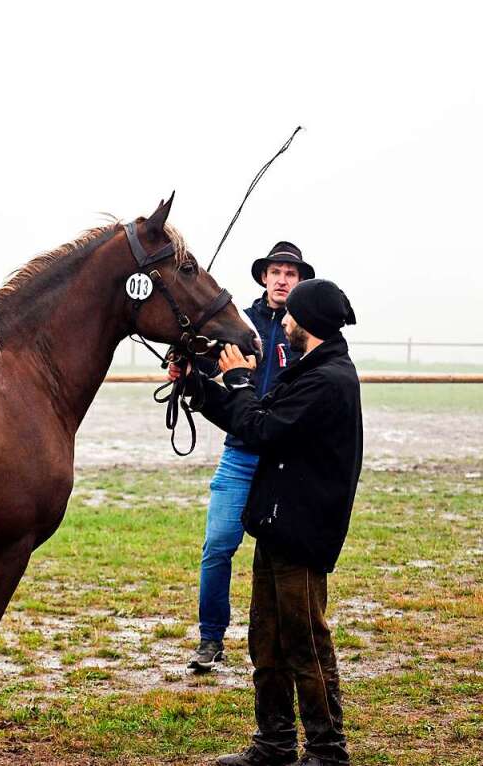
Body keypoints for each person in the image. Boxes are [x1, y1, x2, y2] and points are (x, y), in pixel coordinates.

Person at [177, 279, 361, 766]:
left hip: (301, 532)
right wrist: (197, 386)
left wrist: (237, 382)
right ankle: (274, 744)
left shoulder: (328, 380)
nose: (283, 321)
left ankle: (327, 752)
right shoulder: (309, 371)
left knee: (306, 643)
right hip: (277, 525)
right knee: (268, 640)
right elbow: (253, 421)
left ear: (310, 323)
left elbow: (261, 427)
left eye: (291, 316)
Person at [187, 242, 315, 673]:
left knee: (283, 556)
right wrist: (187, 368)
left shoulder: (307, 330)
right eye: (276, 272)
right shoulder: (239, 323)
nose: (282, 280)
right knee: (218, 547)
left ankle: (283, 638)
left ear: (300, 281)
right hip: (240, 457)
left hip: (286, 463)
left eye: (291, 274)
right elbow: (209, 366)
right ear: (264, 277)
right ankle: (210, 638)